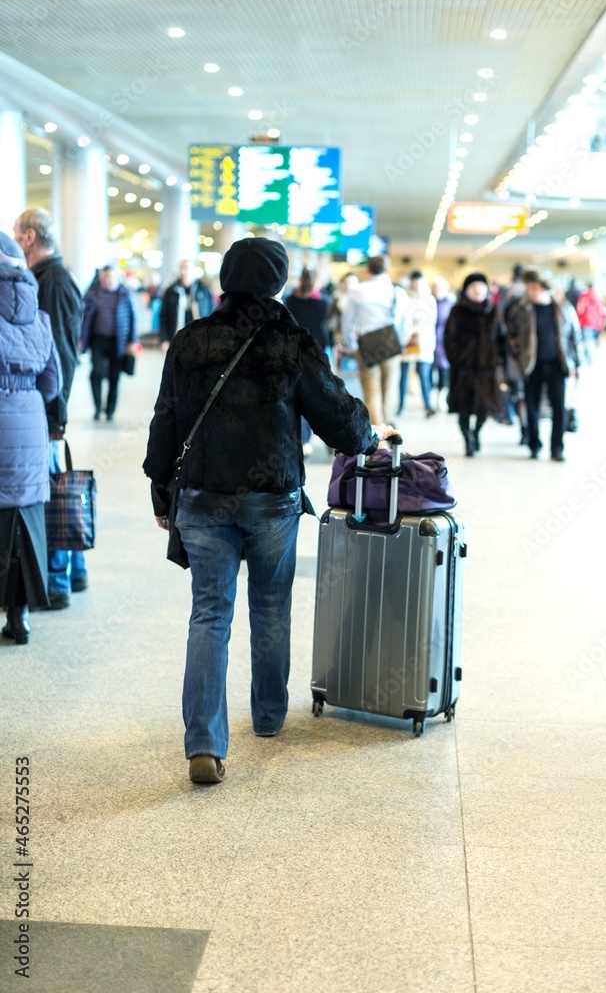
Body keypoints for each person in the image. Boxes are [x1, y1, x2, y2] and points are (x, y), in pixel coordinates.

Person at [143, 237, 396, 785]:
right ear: (277, 281)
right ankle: (268, 717)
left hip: (203, 499)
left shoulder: (190, 340)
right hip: (271, 497)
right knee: (271, 606)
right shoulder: (291, 343)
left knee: (209, 614)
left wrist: (161, 490)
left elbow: (165, 419)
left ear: (226, 278)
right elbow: (339, 419)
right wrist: (372, 435)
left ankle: (205, 745)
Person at [13, 207, 87, 610]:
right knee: (57, 487)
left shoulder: (53, 282)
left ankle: (58, 581)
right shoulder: (47, 279)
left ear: (28, 236)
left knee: (55, 492)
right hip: (47, 411)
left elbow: (60, 356)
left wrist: (55, 416)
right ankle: (72, 573)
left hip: (48, 413)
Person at [0, 232, 62, 645]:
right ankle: (19, 618)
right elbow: (53, 382)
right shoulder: (40, 318)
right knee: (24, 521)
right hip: (31, 422)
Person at [506, 270, 582, 461]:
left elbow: (575, 335)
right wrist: (519, 358)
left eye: (534, 287)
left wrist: (577, 362)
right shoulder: (522, 309)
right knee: (532, 406)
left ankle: (557, 447)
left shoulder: (562, 307)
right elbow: (511, 336)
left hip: (558, 364)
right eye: (529, 287)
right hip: (532, 365)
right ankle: (534, 445)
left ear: (544, 288)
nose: (530, 291)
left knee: (559, 406)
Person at [341, 255, 412, 425]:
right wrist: (400, 342)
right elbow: (406, 323)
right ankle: (385, 429)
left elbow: (347, 322)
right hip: (391, 345)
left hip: (366, 346)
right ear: (387, 269)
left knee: (371, 394)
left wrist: (350, 344)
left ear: (367, 270)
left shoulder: (357, 291)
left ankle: (378, 440)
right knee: (389, 391)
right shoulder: (398, 292)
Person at [443, 272, 503, 457]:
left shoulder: (494, 310)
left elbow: (501, 338)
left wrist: (497, 360)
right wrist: (458, 358)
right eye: (473, 287)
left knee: (484, 407)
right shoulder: (457, 311)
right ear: (466, 290)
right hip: (464, 369)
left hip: (486, 368)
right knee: (464, 408)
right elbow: (448, 339)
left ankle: (476, 433)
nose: (477, 290)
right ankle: (467, 438)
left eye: (481, 286)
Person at [80, 264, 138, 421]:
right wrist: (81, 339)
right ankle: (98, 407)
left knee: (114, 376)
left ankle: (110, 410)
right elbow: (83, 318)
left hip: (118, 341)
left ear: (117, 278)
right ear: (100, 278)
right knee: (97, 372)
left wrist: (132, 341)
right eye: (105, 278)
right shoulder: (93, 294)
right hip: (98, 339)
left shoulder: (125, 294)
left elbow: (134, 318)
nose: (108, 281)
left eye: (111, 277)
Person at [284, 268, 331, 455]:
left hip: (294, 351)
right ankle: (329, 438)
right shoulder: (324, 302)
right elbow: (327, 329)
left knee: (298, 395)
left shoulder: (290, 301)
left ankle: (303, 440)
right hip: (318, 351)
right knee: (322, 393)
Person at [398, 271, 437, 417]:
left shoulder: (429, 299)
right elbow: (402, 318)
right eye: (414, 281)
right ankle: (400, 405)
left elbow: (430, 320)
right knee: (404, 374)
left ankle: (428, 405)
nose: (416, 284)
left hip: (424, 341)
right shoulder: (405, 297)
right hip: (407, 340)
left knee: (424, 374)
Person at [159, 261, 214, 353]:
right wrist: (164, 339)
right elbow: (163, 317)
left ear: (193, 271)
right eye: (181, 268)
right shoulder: (171, 291)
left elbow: (212, 314)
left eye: (187, 268)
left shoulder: (204, 290)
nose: (184, 271)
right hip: (177, 339)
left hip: (200, 340)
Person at [432, 277, 453, 410]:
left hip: (444, 340)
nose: (437, 291)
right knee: (427, 371)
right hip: (430, 339)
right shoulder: (428, 302)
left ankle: (442, 398)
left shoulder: (450, 304)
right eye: (435, 288)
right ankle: (431, 399)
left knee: (443, 370)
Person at [576, 282, 606, 366]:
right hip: (597, 324)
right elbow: (603, 312)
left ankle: (589, 360)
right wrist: (602, 323)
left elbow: (580, 310)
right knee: (590, 341)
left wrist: (579, 322)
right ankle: (588, 359)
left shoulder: (583, 296)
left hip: (586, 323)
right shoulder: (600, 297)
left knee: (587, 342)